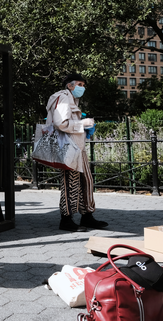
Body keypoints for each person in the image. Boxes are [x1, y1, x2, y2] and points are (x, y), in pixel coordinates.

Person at [47, 74, 108, 232]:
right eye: (79, 84)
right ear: (69, 85)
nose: (82, 87)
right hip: (69, 149)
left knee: (86, 181)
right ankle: (66, 219)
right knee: (70, 184)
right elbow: (60, 123)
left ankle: (87, 216)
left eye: (84, 85)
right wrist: (84, 124)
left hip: (78, 148)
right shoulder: (63, 97)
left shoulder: (72, 99)